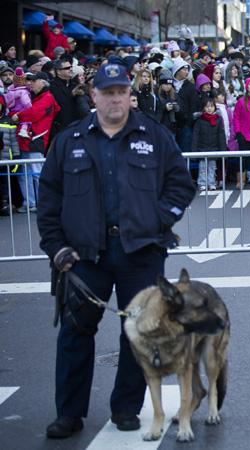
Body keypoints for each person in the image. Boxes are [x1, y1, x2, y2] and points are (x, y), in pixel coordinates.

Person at [37, 63, 196, 439]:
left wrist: (158, 220)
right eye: (107, 92)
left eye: (121, 91)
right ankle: (69, 413)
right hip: (83, 256)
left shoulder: (154, 135)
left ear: (129, 93)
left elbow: (181, 184)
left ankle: (126, 407)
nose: (115, 99)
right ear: (94, 96)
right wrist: (56, 248)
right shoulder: (70, 140)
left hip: (140, 253)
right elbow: (49, 200)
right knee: (75, 333)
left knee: (138, 333)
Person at [11, 72, 60, 213]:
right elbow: (16, 110)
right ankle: (30, 203)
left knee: (36, 173)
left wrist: (17, 116)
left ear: (43, 83)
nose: (30, 83)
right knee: (24, 173)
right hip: (25, 138)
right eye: (30, 81)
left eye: (34, 81)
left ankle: (41, 203)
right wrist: (15, 115)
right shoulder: (33, 96)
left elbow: (33, 114)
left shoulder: (47, 97)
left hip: (35, 139)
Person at [192, 97, 226, 191]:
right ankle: (202, 183)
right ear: (203, 108)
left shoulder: (217, 120)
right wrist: (194, 150)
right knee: (202, 167)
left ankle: (211, 183)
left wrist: (223, 150)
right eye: (207, 107)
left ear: (215, 107)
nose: (209, 109)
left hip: (214, 148)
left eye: (211, 106)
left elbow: (221, 136)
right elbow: (195, 136)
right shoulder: (199, 120)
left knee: (212, 167)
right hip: (202, 148)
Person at [172, 58, 199, 153]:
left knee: (185, 150)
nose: (187, 72)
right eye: (184, 69)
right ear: (177, 70)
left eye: (188, 70)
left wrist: (188, 122)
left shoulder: (190, 87)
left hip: (185, 124)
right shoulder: (170, 85)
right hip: (171, 125)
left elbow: (194, 104)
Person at [0, 92, 20, 216]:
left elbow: (14, 141)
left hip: (5, 158)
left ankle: (4, 204)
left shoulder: (8, 121)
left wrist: (16, 157)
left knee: (4, 183)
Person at [49, 59, 77, 138]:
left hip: (75, 129)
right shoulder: (52, 87)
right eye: (67, 68)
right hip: (59, 130)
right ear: (59, 71)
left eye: (71, 67)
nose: (70, 69)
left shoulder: (75, 86)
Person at [4, 67, 33, 139]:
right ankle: (23, 131)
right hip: (22, 110)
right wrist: (30, 108)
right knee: (26, 120)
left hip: (13, 111)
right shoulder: (23, 91)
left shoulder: (10, 91)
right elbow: (25, 102)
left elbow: (7, 103)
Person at [154, 69, 180, 138]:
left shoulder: (174, 95)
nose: (168, 86)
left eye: (170, 84)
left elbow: (181, 109)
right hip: (160, 127)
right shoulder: (155, 94)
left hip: (172, 128)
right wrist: (164, 107)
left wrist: (177, 108)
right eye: (166, 84)